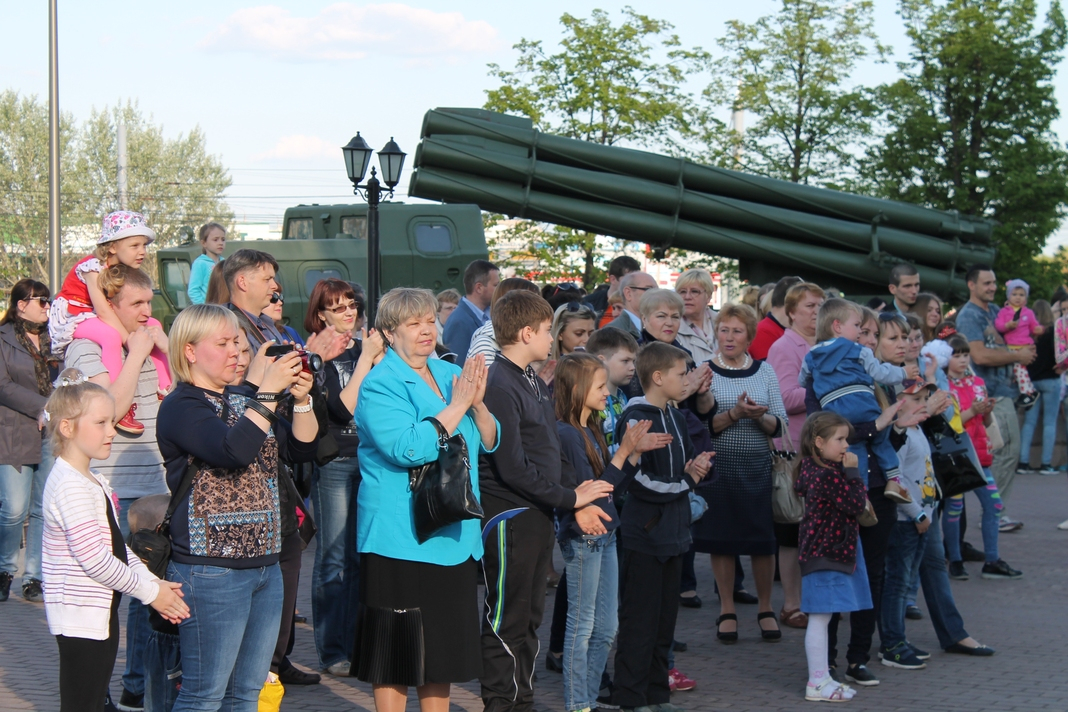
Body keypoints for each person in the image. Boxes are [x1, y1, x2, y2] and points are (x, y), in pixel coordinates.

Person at [157, 303, 319, 711]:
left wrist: (302, 400)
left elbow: (302, 449)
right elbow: (232, 451)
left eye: (238, 342)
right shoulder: (182, 405)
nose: (236, 352)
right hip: (212, 569)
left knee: (247, 693)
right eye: (223, 344)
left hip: (265, 565)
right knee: (204, 694)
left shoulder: (243, 398)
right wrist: (266, 394)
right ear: (190, 351)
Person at [350, 288, 498, 712]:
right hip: (400, 538)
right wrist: (458, 406)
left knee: (441, 653)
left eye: (430, 320)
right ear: (388, 333)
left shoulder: (450, 372)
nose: (426, 330)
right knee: (396, 655)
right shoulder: (380, 384)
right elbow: (408, 447)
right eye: (413, 323)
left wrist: (478, 406)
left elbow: (490, 441)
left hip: (453, 535)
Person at [479, 290, 613, 712]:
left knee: (530, 617)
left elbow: (550, 450)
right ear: (525, 333)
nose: (551, 339)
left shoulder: (532, 379)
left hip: (537, 513)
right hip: (510, 515)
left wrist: (573, 500)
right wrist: (570, 498)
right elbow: (512, 467)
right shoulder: (499, 383)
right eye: (545, 331)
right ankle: (501, 703)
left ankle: (523, 700)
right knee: (507, 617)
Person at [41, 369, 188, 712]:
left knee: (93, 700)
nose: (112, 431)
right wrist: (151, 594)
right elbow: (96, 559)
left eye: (112, 421)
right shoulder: (70, 486)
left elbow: (115, 548)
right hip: (80, 618)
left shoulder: (88, 479)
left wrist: (152, 580)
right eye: (101, 423)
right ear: (67, 428)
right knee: (82, 703)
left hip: (97, 613)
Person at [63, 265, 170, 711]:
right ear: (109, 304)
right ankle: (97, 694)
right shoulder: (87, 346)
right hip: (112, 488)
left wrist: (165, 349)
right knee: (104, 596)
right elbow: (108, 409)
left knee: (150, 589)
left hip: (157, 485)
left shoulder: (150, 341)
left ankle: (136, 685)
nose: (146, 312)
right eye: (136, 304)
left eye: (150, 302)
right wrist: (136, 355)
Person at [554, 353, 671, 712]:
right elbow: (590, 493)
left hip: (606, 534)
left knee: (607, 627)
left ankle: (588, 698)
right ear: (578, 389)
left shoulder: (590, 428)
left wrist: (631, 456)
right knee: (582, 625)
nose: (607, 392)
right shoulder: (566, 433)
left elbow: (611, 490)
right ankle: (578, 703)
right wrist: (624, 454)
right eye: (600, 386)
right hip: (584, 537)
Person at [613, 342, 713, 711]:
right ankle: (631, 696)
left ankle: (657, 694)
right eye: (681, 373)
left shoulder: (674, 414)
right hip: (645, 534)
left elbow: (681, 468)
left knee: (663, 624)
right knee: (639, 621)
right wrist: (687, 481)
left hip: (674, 532)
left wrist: (694, 469)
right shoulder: (636, 418)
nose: (687, 379)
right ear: (657, 377)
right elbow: (636, 482)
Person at [303, 279, 384, 677]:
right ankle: (332, 650)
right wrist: (366, 359)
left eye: (351, 304)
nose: (349, 312)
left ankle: (354, 644)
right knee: (333, 556)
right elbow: (341, 408)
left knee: (358, 557)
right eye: (338, 308)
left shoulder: (365, 347)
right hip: (335, 460)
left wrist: (376, 359)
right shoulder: (320, 354)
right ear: (321, 315)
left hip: (371, 458)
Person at [693, 303, 787, 643]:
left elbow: (780, 425)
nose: (729, 337)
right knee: (722, 540)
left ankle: (766, 608)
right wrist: (734, 414)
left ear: (749, 336)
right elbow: (701, 427)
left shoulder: (765, 371)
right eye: (724, 330)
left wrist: (759, 416)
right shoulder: (704, 371)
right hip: (719, 469)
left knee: (762, 542)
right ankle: (727, 608)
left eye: (737, 331)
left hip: (757, 467)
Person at [49, 210, 171, 434]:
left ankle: (165, 389)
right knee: (111, 336)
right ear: (113, 246)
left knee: (154, 325)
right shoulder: (92, 268)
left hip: (93, 313)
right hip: (77, 314)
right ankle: (117, 401)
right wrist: (130, 340)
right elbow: (104, 311)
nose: (142, 252)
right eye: (135, 245)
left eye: (144, 245)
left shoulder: (121, 269)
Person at [800, 299, 916, 504]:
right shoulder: (858, 353)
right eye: (861, 330)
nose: (870, 340)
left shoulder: (812, 356)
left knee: (856, 452)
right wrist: (904, 373)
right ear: (838, 326)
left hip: (836, 413)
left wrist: (898, 428)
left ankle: (861, 493)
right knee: (878, 438)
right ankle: (893, 479)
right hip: (859, 416)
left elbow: (801, 379)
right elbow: (819, 432)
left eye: (876, 335)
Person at [795, 412, 871, 703]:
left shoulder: (814, 469)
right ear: (819, 442)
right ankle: (816, 682)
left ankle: (824, 677)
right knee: (819, 617)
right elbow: (856, 504)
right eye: (839, 439)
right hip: (825, 553)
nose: (846, 446)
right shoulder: (826, 474)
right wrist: (853, 474)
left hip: (824, 552)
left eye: (846, 439)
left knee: (824, 617)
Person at [955, 264, 1034, 532]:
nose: (992, 287)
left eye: (994, 282)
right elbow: (978, 355)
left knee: (1007, 452)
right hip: (989, 396)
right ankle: (995, 514)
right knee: (1004, 452)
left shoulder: (996, 311)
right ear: (971, 285)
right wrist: (1018, 356)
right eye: (986, 283)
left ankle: (996, 513)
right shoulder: (969, 315)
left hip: (1003, 392)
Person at [765, 281, 825, 629]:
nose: (816, 312)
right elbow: (784, 397)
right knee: (791, 531)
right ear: (791, 312)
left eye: (820, 305)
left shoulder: (826, 345)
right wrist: (828, 389)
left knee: (816, 529)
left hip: (822, 450)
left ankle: (814, 599)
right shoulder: (784, 346)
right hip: (794, 450)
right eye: (809, 306)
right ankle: (791, 604)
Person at [943, 334, 1022, 580]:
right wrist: (972, 411)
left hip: (980, 456)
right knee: (954, 508)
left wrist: (986, 412)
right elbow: (949, 424)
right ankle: (955, 560)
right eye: (956, 355)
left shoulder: (978, 382)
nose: (962, 360)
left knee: (994, 505)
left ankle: (992, 560)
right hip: (958, 457)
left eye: (965, 355)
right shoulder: (942, 386)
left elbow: (985, 422)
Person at [0, 279, 58, 604]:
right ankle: (5, 569)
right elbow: (3, 385)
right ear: (21, 305)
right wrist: (43, 407)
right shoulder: (3, 338)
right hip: (14, 431)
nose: (47, 307)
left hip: (51, 433)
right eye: (41, 301)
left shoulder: (55, 338)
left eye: (49, 301)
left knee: (41, 508)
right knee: (13, 509)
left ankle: (33, 576)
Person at [1018, 299, 1059, 473]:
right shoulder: (1053, 332)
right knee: (1050, 422)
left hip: (1031, 381)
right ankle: (1045, 464)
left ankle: (1023, 462)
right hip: (1051, 379)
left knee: (1029, 422)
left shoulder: (1027, 334)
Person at [466, 278, 542, 366]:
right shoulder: (485, 345)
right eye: (533, 305)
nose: (539, 311)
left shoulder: (522, 340)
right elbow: (491, 376)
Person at [995, 279, 1043, 407]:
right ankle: (1028, 391)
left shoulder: (1028, 312)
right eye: (1014, 294)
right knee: (1016, 372)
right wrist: (1007, 325)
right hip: (1010, 347)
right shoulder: (1004, 312)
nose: (1018, 297)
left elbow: (1034, 326)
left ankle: (1027, 393)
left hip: (1023, 346)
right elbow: (998, 325)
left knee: (1019, 370)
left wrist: (1038, 329)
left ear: (1026, 297)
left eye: (1021, 295)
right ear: (1008, 296)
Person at [443, 259, 500, 364]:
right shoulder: (459, 322)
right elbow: (459, 367)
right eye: (496, 285)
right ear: (479, 288)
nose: (499, 289)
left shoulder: (491, 313)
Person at [749, 276, 803, 360]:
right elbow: (772, 367)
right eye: (809, 305)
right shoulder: (762, 332)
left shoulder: (779, 329)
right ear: (791, 302)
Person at [674, 268, 718, 364]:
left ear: (708, 296)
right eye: (682, 292)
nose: (687, 297)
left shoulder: (723, 322)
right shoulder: (671, 327)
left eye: (694, 291)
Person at [585, 255, 641, 322]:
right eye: (628, 279)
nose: (634, 283)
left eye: (636, 279)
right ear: (613, 279)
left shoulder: (640, 305)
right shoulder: (589, 303)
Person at [605, 272, 658, 339]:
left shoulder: (658, 328)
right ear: (628, 293)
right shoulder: (612, 333)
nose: (656, 295)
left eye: (657, 290)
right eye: (649, 289)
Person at [186, 222, 226, 305]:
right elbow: (193, 291)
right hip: (208, 310)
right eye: (215, 240)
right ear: (204, 243)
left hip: (223, 308)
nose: (220, 243)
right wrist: (204, 308)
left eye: (223, 239)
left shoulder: (225, 262)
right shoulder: (200, 263)